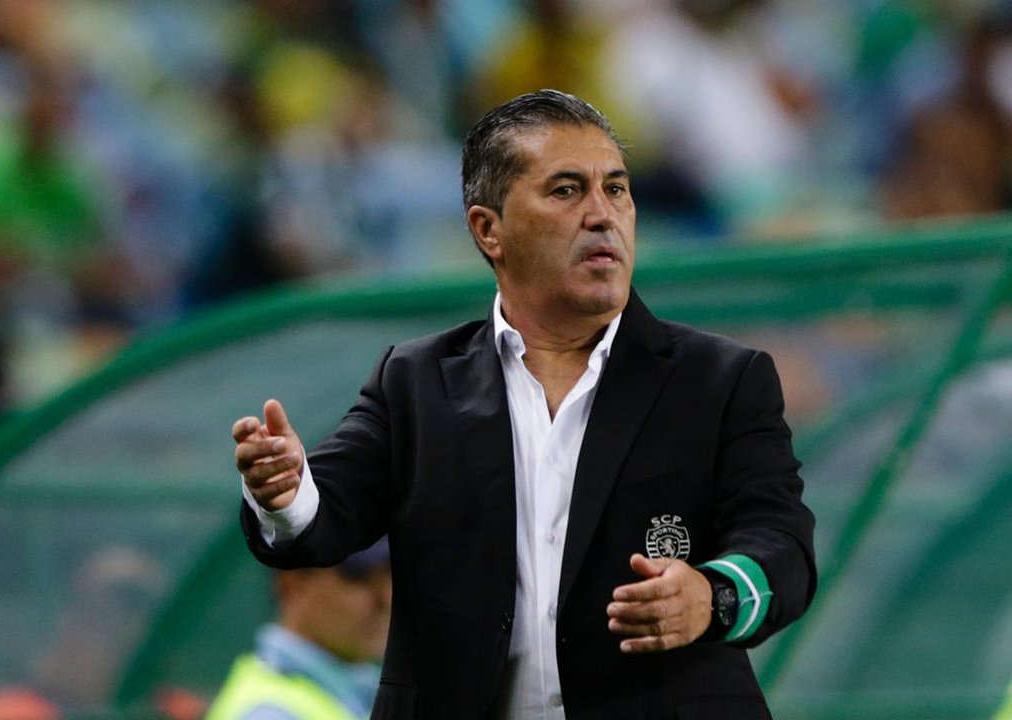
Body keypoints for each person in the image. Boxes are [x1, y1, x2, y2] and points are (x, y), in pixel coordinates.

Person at [231, 89, 816, 719]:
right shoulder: (415, 383)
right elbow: (325, 512)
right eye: (566, 190)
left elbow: (782, 546)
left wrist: (712, 596)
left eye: (616, 189)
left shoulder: (721, 380)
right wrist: (284, 493)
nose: (602, 215)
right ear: (490, 230)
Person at [207, 539, 392, 720]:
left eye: (392, 573)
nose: (386, 598)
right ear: (291, 582)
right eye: (359, 576)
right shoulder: (272, 713)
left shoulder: (355, 697)